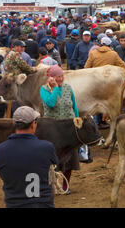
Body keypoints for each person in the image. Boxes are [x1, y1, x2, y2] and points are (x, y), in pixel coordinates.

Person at [0, 106, 58, 208]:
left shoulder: (0, 150)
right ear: (33, 124)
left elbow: (2, 174)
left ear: (14, 124)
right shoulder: (47, 147)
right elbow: (54, 167)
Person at [39, 65, 87, 194]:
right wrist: (54, 88)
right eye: (57, 76)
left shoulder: (67, 87)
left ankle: (66, 185)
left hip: (69, 128)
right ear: (51, 77)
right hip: (52, 129)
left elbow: (74, 105)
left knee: (70, 158)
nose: (60, 79)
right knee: (52, 160)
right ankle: (52, 185)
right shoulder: (44, 90)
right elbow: (51, 103)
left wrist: (77, 120)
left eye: (61, 76)